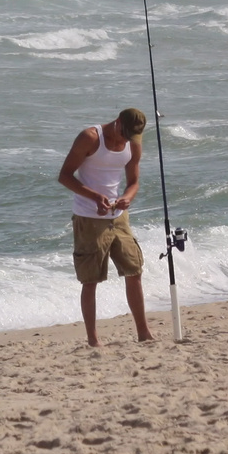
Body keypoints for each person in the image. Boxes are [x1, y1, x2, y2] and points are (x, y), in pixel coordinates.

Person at [57, 108, 154, 347]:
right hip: (88, 218)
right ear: (117, 122)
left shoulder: (133, 144)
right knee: (90, 280)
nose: (126, 140)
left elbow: (133, 182)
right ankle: (93, 339)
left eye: (132, 137)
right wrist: (94, 197)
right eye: (125, 134)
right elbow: (65, 176)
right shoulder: (90, 137)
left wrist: (127, 198)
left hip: (119, 217)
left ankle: (143, 333)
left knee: (134, 271)